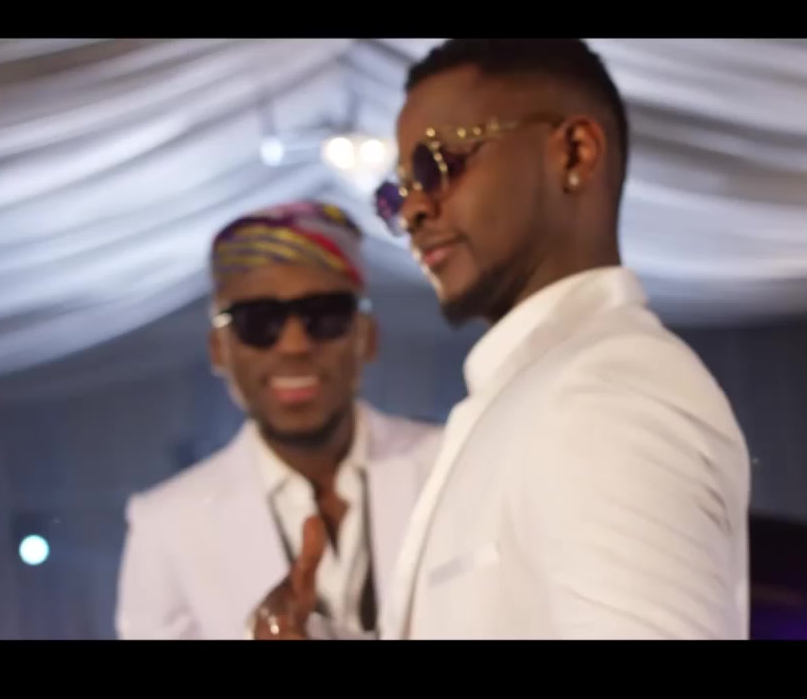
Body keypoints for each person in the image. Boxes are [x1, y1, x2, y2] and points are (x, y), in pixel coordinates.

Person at [252, 38, 751, 640]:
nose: (412, 211)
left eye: (439, 165)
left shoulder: (606, 394)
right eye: (398, 190)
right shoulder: (537, 391)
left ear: (575, 152)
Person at [115, 201, 442, 640]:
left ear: (367, 335)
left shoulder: (449, 463)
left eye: (324, 315)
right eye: (258, 321)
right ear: (219, 349)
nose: (293, 345)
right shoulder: (166, 525)